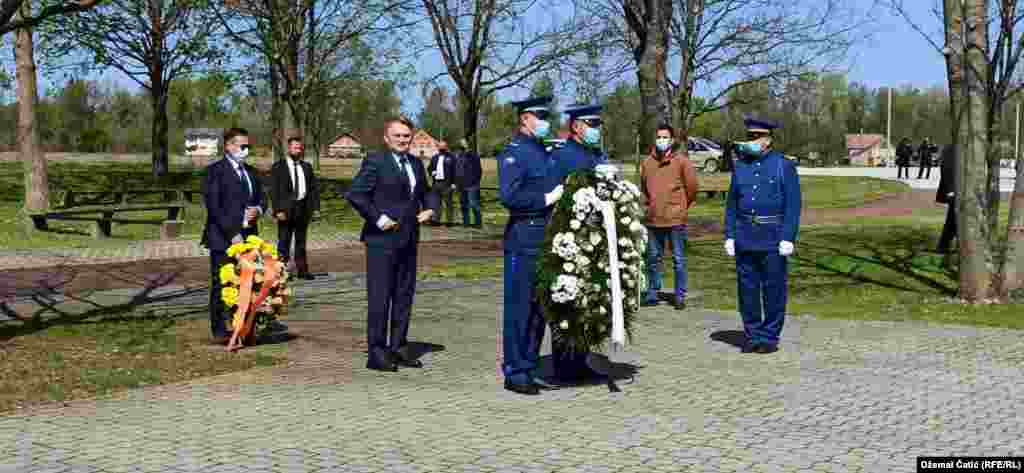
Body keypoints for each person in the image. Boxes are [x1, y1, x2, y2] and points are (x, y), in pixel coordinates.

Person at [346, 118, 435, 373]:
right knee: (380, 297)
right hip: (381, 241)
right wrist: (378, 218)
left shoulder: (416, 164)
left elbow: (426, 192)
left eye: (407, 136)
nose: (403, 140)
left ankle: (398, 346)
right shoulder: (376, 161)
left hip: (408, 238)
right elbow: (356, 194)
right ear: (386, 138)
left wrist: (430, 208)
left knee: (404, 296)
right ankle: (376, 352)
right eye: (397, 136)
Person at [498, 96, 564, 395]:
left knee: (539, 310)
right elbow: (510, 196)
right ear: (525, 119)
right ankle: (515, 370)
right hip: (524, 240)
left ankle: (529, 363)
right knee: (520, 309)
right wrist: (546, 200)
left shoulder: (544, 152)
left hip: (547, 240)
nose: (546, 122)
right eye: (540, 117)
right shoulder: (515, 153)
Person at [724, 115, 801, 355]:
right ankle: (753, 334)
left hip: (772, 237)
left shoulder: (783, 165)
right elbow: (732, 204)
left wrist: (788, 236)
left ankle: (769, 336)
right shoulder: (741, 165)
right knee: (747, 290)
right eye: (750, 137)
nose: (753, 141)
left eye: (757, 137)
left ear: (768, 139)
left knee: (773, 289)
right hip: (746, 236)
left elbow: (793, 204)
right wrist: (730, 234)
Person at [201, 127, 265, 345]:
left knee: (247, 283)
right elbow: (215, 206)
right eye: (242, 145)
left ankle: (243, 325)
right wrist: (233, 233)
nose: (246, 150)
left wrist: (258, 210)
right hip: (223, 238)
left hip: (249, 238)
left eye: (248, 146)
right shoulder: (215, 171)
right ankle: (220, 329)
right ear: (228, 146)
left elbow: (262, 199)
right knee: (221, 283)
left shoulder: (252, 172)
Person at [640, 124, 699, 310]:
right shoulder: (647, 162)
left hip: (675, 219)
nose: (661, 140)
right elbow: (644, 189)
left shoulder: (681, 161)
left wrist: (681, 207)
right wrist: (648, 207)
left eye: (665, 137)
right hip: (653, 219)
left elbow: (692, 188)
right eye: (659, 137)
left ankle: (679, 295)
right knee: (653, 258)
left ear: (672, 140)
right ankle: (652, 292)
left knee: (678, 259)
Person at [270, 137, 320, 280]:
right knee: (284, 242)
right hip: (285, 210)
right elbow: (274, 191)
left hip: (303, 209)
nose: (297, 150)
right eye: (294, 147)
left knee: (301, 242)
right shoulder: (279, 167)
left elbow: (313, 190)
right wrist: (277, 210)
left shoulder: (307, 167)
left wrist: (315, 208)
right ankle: (283, 272)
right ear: (289, 148)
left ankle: (302, 270)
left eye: (299, 148)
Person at [551, 104, 608, 183]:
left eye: (598, 124)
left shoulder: (599, 154)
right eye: (592, 124)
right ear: (575, 126)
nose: (597, 129)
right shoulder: (560, 155)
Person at [454, 138, 483, 227]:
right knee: (464, 205)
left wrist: (475, 181)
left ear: (467, 144)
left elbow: (479, 171)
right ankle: (466, 223)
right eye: (460, 143)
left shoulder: (473, 156)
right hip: (461, 185)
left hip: (472, 185)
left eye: (463, 143)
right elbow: (457, 169)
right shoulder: (459, 156)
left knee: (474, 204)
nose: (461, 144)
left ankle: (478, 223)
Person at [428, 141, 456, 226]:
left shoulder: (451, 157)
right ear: (438, 148)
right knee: (436, 204)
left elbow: (455, 171)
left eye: (443, 147)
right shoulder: (434, 157)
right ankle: (436, 220)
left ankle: (449, 221)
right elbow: (429, 168)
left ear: (446, 147)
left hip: (447, 183)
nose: (441, 149)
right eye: (440, 147)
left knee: (448, 204)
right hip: (436, 183)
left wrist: (454, 183)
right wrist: (431, 172)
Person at [936, 144, 958, 253]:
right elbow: (947, 169)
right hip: (954, 191)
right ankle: (943, 246)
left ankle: (943, 246)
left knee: (953, 220)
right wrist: (950, 190)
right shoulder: (951, 149)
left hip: (960, 191)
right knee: (953, 220)